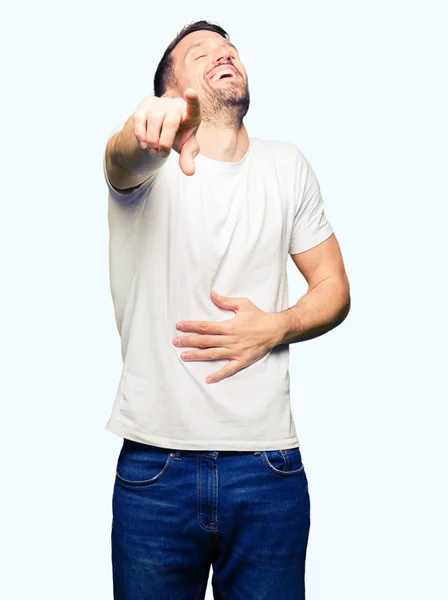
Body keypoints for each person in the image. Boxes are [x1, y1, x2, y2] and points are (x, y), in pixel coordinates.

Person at [103, 19, 350, 600]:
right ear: (171, 93)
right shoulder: (145, 170)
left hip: (267, 470)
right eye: (200, 53)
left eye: (229, 49)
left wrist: (278, 324)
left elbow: (333, 287)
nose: (224, 55)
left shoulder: (286, 166)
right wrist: (144, 129)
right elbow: (122, 159)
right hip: (155, 470)